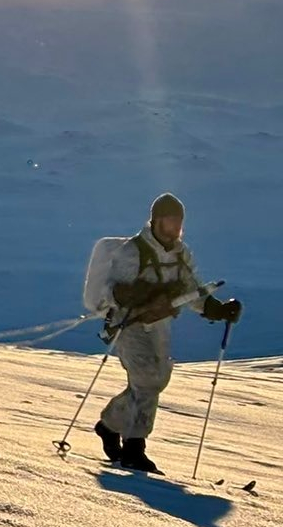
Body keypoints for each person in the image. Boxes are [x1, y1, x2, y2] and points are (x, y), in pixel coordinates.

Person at [94, 193, 241, 474]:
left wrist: (217, 309)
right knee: (147, 380)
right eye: (169, 222)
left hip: (159, 325)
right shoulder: (133, 251)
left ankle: (109, 425)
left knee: (156, 379)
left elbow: (191, 290)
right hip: (128, 324)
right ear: (155, 221)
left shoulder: (181, 254)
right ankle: (134, 449)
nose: (174, 228)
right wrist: (132, 294)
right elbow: (111, 291)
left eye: (178, 223)